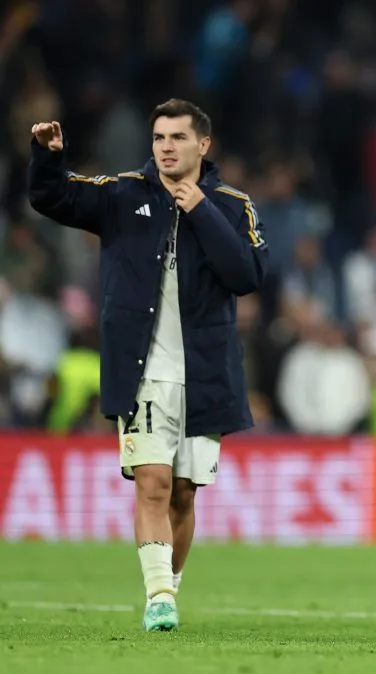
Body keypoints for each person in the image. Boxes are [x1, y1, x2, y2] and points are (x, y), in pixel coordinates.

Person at [28, 99, 268, 632]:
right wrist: (47, 158)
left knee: (183, 493)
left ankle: (169, 587)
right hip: (143, 370)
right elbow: (54, 197)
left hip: (206, 373)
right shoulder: (121, 194)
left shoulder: (231, 205)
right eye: (159, 137)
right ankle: (158, 595)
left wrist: (199, 208)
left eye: (178, 138)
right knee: (153, 482)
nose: (165, 146)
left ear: (203, 145)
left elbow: (247, 273)